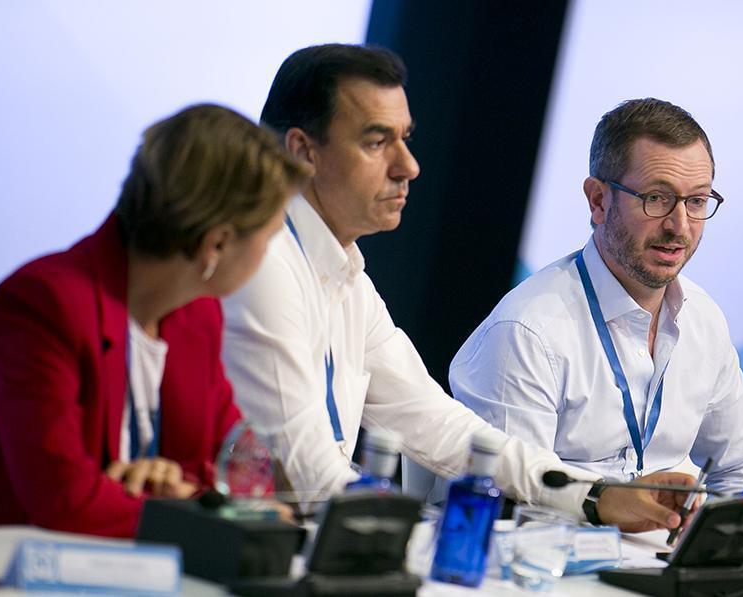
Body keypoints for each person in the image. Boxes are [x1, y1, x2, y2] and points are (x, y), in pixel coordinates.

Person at [222, 45, 694, 531]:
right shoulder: (263, 264)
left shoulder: (346, 278)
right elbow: (308, 477)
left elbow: (436, 424)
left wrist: (595, 496)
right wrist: (418, 538)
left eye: (405, 138)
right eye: (377, 142)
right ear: (303, 152)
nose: (408, 166)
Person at [0, 104, 306, 537]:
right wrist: (184, 510)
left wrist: (176, 492)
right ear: (217, 243)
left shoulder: (198, 315)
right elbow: (64, 499)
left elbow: (238, 467)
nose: (268, 253)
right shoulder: (43, 303)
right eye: (269, 237)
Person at [450, 98, 743, 524]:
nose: (679, 226)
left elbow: (739, 472)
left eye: (696, 201)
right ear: (598, 200)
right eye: (656, 198)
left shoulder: (704, 320)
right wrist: (607, 510)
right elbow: (508, 500)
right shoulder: (527, 331)